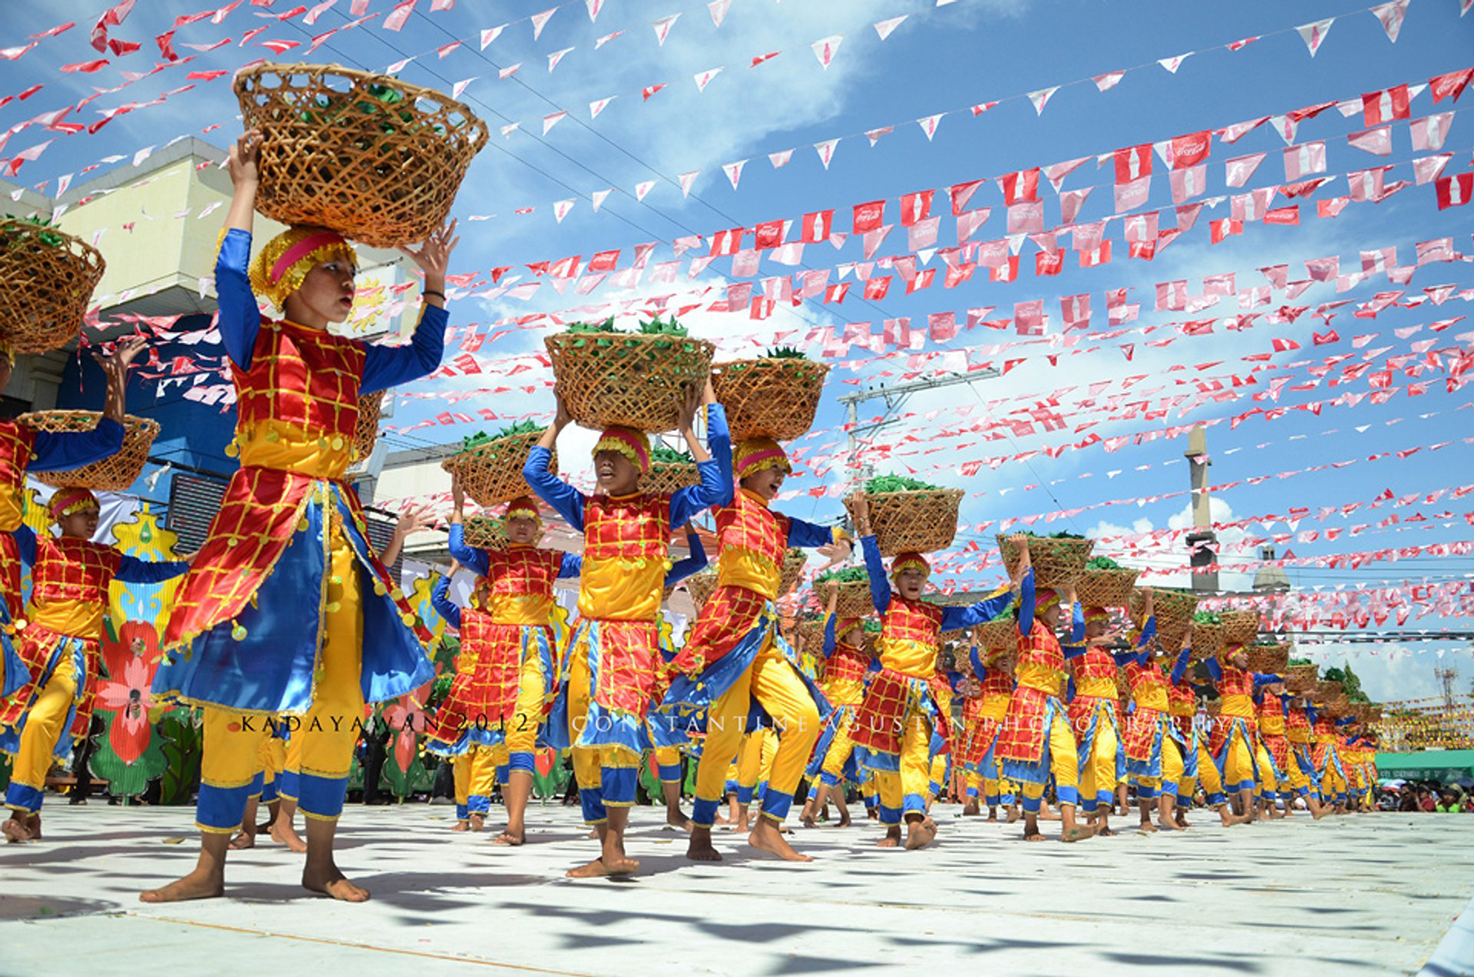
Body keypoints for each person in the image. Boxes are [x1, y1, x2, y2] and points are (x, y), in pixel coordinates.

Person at [143, 128, 455, 903]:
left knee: (337, 702)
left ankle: (321, 861)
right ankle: (210, 864)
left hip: (336, 531)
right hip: (260, 526)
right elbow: (228, 281)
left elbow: (423, 357)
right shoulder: (257, 339)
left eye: (351, 270)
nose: (350, 282)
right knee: (232, 687)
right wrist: (244, 189)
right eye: (335, 270)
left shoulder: (356, 360)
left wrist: (437, 288)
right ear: (293, 281)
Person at [523, 381, 730, 877]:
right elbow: (534, 472)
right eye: (599, 457)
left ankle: (614, 847)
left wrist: (691, 427)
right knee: (582, 744)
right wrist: (558, 422)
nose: (604, 465)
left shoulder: (664, 509)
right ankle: (604, 844)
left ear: (643, 465)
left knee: (619, 740)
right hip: (586, 640)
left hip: (633, 641)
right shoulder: (586, 509)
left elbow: (719, 489)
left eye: (616, 456)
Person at [657, 437, 848, 863]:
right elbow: (719, 455)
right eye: (773, 468)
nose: (780, 477)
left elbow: (828, 533)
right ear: (748, 470)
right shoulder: (728, 502)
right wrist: (705, 410)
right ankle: (701, 831)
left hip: (764, 633)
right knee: (724, 738)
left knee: (805, 717)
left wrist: (843, 542)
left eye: (784, 471)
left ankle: (767, 826)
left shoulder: (779, 523)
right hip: (727, 629)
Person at [2, 488, 190, 840]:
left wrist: (187, 562)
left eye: (95, 513)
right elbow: (10, 518)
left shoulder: (106, 557)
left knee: (43, 720)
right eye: (83, 512)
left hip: (74, 659)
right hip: (34, 653)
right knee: (30, 727)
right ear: (60, 517)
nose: (92, 519)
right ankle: (31, 816)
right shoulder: (40, 547)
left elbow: (149, 573)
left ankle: (20, 811)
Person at [848, 501, 1020, 850]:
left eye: (919, 575)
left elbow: (977, 612)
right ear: (897, 580)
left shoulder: (935, 614)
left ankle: (913, 822)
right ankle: (893, 828)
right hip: (888, 691)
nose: (913, 580)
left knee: (914, 754)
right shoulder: (887, 603)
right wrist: (864, 524)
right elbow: (873, 569)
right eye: (906, 575)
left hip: (919, 697)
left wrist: (1011, 589)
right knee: (886, 764)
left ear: (926, 581)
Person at [433, 486, 582, 846]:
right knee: (500, 740)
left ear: (539, 529)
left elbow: (594, 562)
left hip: (534, 652)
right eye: (514, 520)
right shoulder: (492, 559)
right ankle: (498, 816)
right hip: (496, 659)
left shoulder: (552, 560)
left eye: (528, 522)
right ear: (505, 526)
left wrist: (597, 522)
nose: (521, 527)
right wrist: (456, 506)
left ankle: (515, 823)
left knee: (521, 732)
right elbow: (456, 550)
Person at [1, 337, 138, 701]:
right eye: (85, 513)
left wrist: (116, 377)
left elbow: (105, 442)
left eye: (3, 358)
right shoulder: (44, 548)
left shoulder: (16, 439)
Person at [993, 536, 1094, 844]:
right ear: (1041, 608)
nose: (1059, 613)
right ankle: (1031, 825)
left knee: (1066, 757)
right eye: (1055, 607)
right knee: (1033, 763)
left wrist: (1073, 594)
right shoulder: (1027, 628)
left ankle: (1069, 824)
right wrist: (1024, 551)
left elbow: (1079, 632)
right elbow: (1026, 592)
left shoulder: (1056, 643)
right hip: (1029, 700)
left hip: (1053, 704)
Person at [800, 584, 876, 829]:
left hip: (853, 718)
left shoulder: (866, 659)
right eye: (859, 630)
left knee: (831, 765)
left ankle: (811, 814)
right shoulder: (832, 652)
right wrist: (833, 596)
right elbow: (828, 627)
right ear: (847, 632)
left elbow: (889, 663)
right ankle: (844, 815)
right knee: (826, 766)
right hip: (830, 716)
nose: (863, 633)